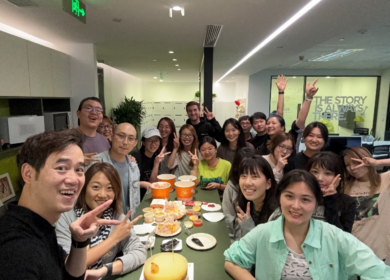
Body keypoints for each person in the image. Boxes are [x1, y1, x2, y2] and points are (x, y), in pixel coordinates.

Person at [224, 170, 390, 280]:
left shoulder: (334, 237)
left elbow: (378, 271)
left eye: (305, 199)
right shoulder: (264, 233)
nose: (296, 206)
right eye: (289, 196)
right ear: (279, 198)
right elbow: (231, 261)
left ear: (316, 203)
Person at [0, 129, 120, 279]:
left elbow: (70, 276)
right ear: (28, 174)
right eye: (61, 168)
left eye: (79, 169)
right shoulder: (16, 250)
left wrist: (80, 240)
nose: (74, 179)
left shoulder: (40, 225)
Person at [56, 163, 146, 279]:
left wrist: (105, 270)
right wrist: (114, 239)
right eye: (95, 187)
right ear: (83, 189)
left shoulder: (117, 216)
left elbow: (139, 252)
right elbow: (69, 266)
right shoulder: (66, 218)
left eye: (110, 188)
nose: (103, 194)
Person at [86, 123, 147, 217]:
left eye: (130, 138)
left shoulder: (133, 167)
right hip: (104, 224)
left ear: (135, 143)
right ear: (111, 136)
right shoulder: (96, 163)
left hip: (130, 222)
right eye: (121, 136)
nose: (125, 142)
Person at [343, 147, 390, 260]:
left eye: (356, 162)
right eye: (347, 165)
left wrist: (377, 162)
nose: (352, 168)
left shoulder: (385, 180)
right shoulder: (344, 185)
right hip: (351, 251)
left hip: (378, 251)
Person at [258, 77, 320, 155]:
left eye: (273, 123)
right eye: (268, 123)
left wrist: (309, 97)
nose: (270, 125)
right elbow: (279, 113)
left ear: (282, 128)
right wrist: (281, 91)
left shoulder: (291, 137)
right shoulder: (263, 141)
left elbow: (301, 119)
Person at [228, 155, 277, 241]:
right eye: (243, 176)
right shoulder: (244, 205)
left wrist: (247, 226)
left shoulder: (277, 215)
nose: (247, 182)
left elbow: (266, 249)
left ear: (268, 183)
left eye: (254, 176)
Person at [223, 147, 257, 243]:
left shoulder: (261, 191)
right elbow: (228, 217)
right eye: (243, 171)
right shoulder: (232, 186)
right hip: (237, 242)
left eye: (253, 174)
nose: (248, 181)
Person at [131, 127, 170, 200]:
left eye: (156, 141)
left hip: (149, 196)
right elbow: (129, 184)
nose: (153, 144)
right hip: (136, 198)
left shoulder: (156, 157)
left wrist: (156, 163)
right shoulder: (135, 158)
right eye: (150, 140)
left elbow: (153, 182)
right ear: (143, 142)